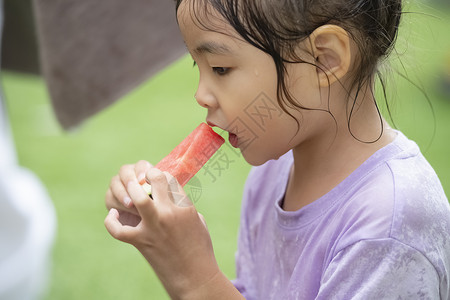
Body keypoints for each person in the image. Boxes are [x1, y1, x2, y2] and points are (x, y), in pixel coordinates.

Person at [104, 0, 450, 299]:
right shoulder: (273, 174)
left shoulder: (389, 225)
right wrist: (168, 250)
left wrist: (195, 275)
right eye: (200, 67)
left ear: (324, 59)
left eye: (221, 68)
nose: (201, 95)